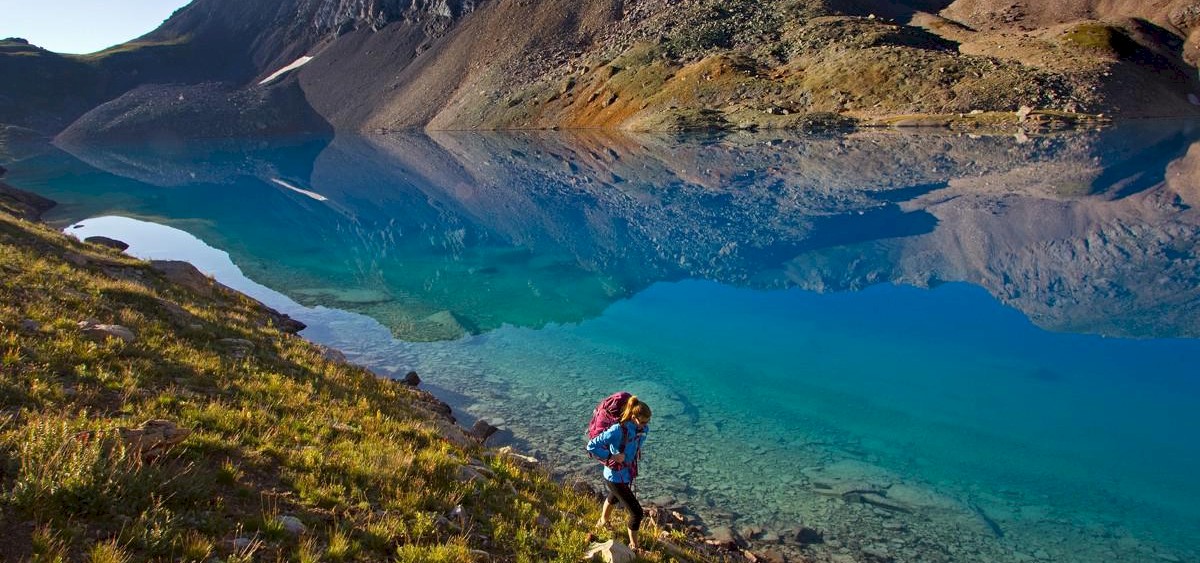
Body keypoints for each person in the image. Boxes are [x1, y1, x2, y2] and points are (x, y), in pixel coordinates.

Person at [586, 396, 652, 551]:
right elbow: (591, 445)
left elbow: (635, 445)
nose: (646, 425)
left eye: (648, 421)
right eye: (643, 422)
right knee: (637, 512)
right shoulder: (617, 430)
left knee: (614, 497)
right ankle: (634, 546)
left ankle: (602, 521)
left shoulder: (643, 430)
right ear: (633, 417)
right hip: (613, 475)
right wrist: (611, 456)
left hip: (626, 473)